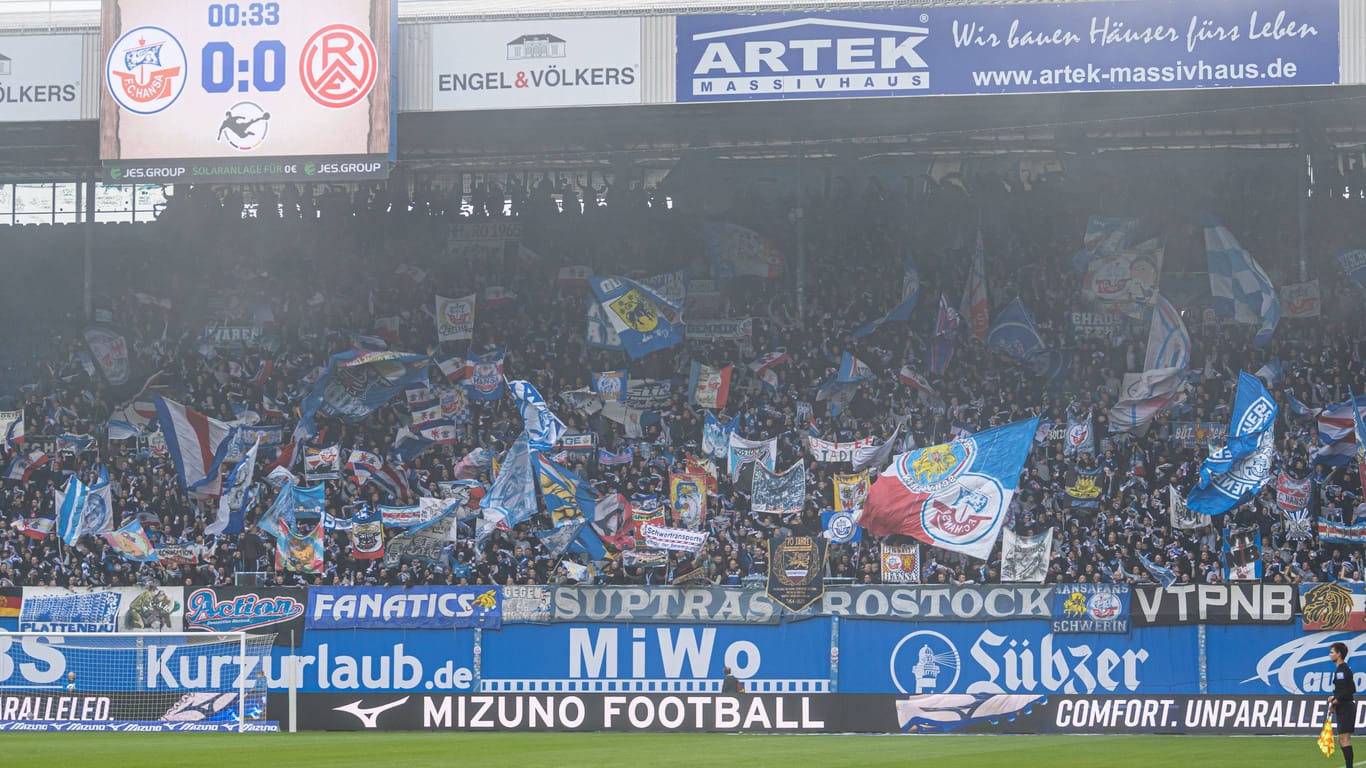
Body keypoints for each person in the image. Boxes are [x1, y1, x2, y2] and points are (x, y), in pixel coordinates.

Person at [1328, 641, 1356, 768]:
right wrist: (1335, 698)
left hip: (1346, 708)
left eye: (1332, 652)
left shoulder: (1341, 670)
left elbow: (1348, 690)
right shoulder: (1342, 669)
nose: (1330, 655)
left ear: (1339, 654)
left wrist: (1336, 700)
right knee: (1341, 739)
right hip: (1343, 706)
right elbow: (1344, 689)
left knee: (1344, 738)